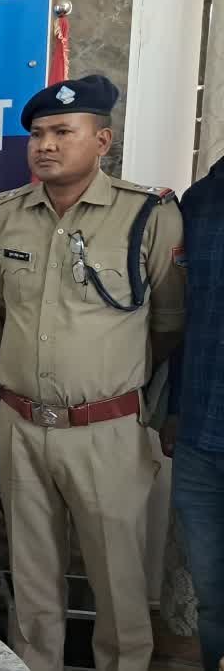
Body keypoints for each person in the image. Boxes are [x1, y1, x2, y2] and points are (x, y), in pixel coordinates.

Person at [0, 75, 185, 671]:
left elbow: (168, 321)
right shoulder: (5, 215)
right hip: (21, 424)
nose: (45, 145)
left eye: (62, 132)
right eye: (37, 134)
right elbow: (2, 305)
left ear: (102, 140)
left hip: (106, 431)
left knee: (118, 581)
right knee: (31, 579)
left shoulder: (147, 214)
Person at [166, 153, 223, 671]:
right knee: (213, 601)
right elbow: (182, 316)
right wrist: (172, 411)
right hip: (200, 435)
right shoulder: (201, 201)